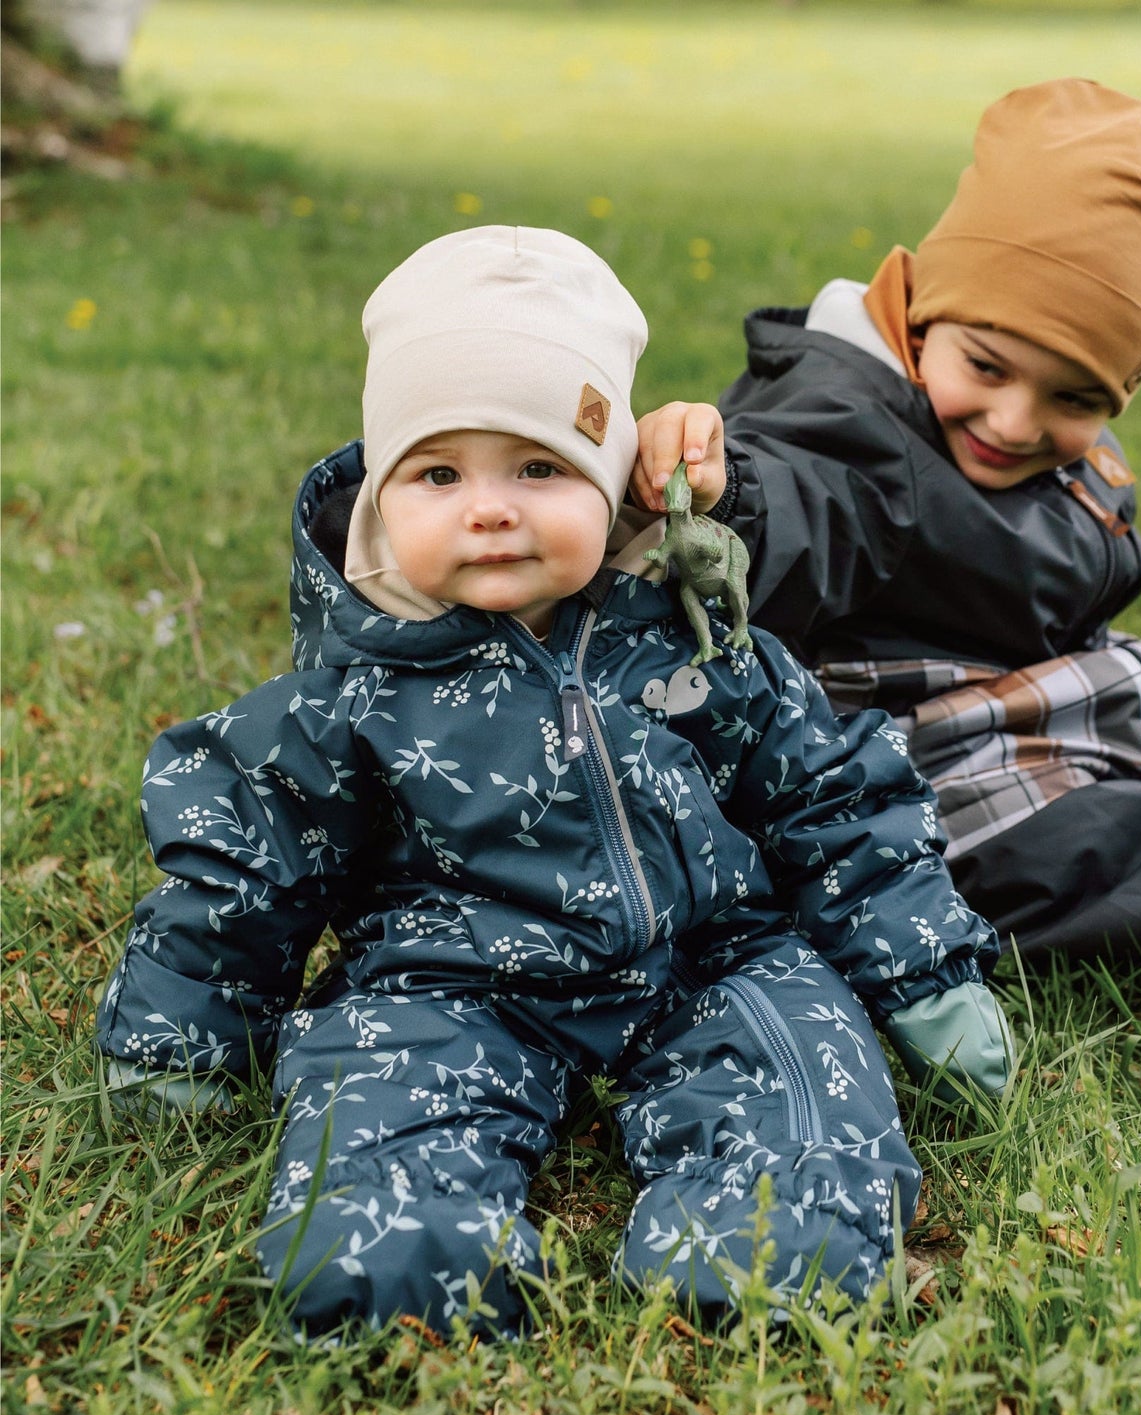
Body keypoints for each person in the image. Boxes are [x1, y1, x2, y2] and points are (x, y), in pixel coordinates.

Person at [94, 226, 1013, 1342]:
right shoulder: (355, 689)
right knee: (374, 1112)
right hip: (450, 977)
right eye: (439, 473)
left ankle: (764, 1261)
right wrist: (178, 1038)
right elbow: (241, 865)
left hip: (707, 952)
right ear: (384, 497)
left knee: (804, 1085)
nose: (490, 507)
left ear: (612, 479)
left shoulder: (692, 640)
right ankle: (409, 1279)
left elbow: (830, 791)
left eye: (538, 467)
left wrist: (922, 971)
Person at [632, 79, 1141, 1054]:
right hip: (935, 823)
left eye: (1074, 395)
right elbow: (795, 506)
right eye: (986, 366)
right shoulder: (849, 428)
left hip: (1052, 760)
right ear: (925, 314)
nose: (1014, 421)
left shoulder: (1017, 442)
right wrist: (727, 500)